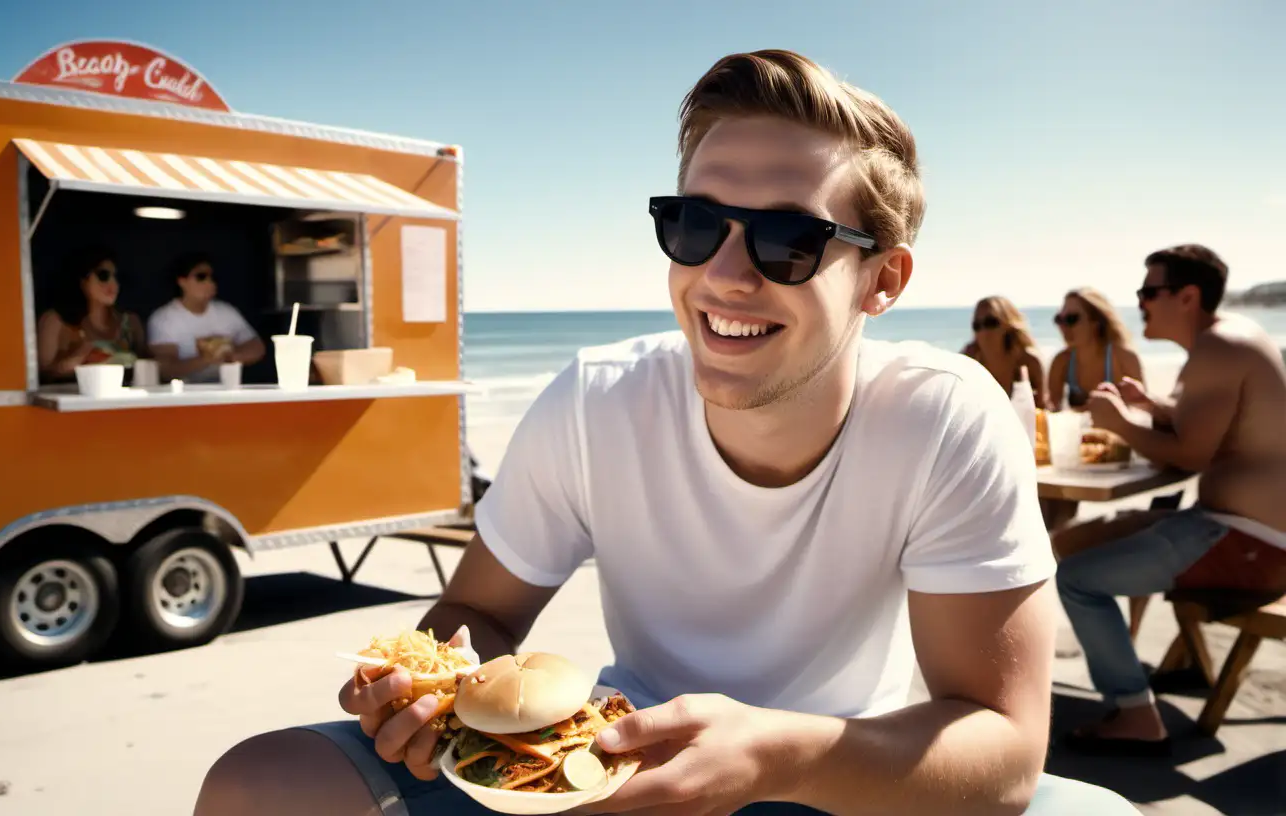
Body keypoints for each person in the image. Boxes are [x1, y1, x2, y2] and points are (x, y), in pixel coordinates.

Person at [194, 50, 1138, 815]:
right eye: (694, 224)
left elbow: (1005, 750)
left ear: (882, 282)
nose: (723, 275)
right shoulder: (598, 399)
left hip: (850, 769)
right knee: (256, 785)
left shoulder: (944, 417)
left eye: (785, 240)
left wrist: (780, 758)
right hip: (610, 761)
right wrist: (434, 689)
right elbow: (478, 616)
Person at [1053, 244, 1286, 756]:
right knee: (1070, 543)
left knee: (1075, 579)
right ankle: (1130, 677)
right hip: (1229, 526)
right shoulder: (1225, 342)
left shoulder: (1221, 347)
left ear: (1187, 296)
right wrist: (1152, 407)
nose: (1140, 302)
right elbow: (1209, 428)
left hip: (1248, 543)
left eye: (1149, 291)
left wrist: (1120, 423)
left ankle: (1135, 713)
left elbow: (1190, 454)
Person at [147, 252, 265, 383]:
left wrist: (233, 356)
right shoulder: (164, 319)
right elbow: (165, 369)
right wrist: (206, 359)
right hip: (181, 394)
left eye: (212, 277)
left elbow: (257, 346)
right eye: (201, 277)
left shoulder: (226, 312)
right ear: (182, 281)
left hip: (225, 391)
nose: (209, 282)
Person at [35, 245, 146, 383]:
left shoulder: (131, 323)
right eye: (103, 276)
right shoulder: (55, 321)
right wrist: (74, 361)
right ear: (83, 281)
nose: (113, 284)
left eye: (117, 277)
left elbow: (147, 368)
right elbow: (42, 375)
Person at [1046, 287, 1144, 411]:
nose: (1063, 327)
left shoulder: (1124, 358)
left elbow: (1142, 411)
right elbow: (1053, 410)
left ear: (1095, 322)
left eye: (1071, 319)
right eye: (1059, 320)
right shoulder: (1061, 361)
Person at [963, 295, 1047, 408]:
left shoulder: (1029, 361)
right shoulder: (969, 361)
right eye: (977, 325)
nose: (984, 331)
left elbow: (1042, 409)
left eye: (991, 322)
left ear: (1007, 324)